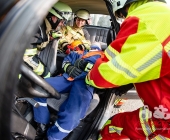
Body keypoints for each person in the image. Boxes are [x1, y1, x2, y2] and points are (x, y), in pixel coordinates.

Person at [85, 0, 170, 139]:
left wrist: (88, 76)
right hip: (163, 110)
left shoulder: (143, 17)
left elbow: (106, 75)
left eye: (121, 16)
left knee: (112, 129)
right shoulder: (161, 14)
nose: (124, 19)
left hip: (166, 120)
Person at [33, 42, 103, 140]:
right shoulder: (79, 53)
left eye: (96, 48)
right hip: (68, 78)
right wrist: (69, 68)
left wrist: (88, 67)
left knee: (73, 116)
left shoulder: (104, 59)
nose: (94, 49)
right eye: (93, 48)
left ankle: (52, 137)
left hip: (85, 83)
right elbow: (66, 61)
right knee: (39, 87)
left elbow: (103, 73)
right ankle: (42, 125)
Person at [23, 2, 72, 77]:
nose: (62, 24)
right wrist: (46, 73)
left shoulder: (44, 26)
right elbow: (27, 58)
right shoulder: (37, 30)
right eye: (62, 21)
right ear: (53, 17)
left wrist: (51, 35)